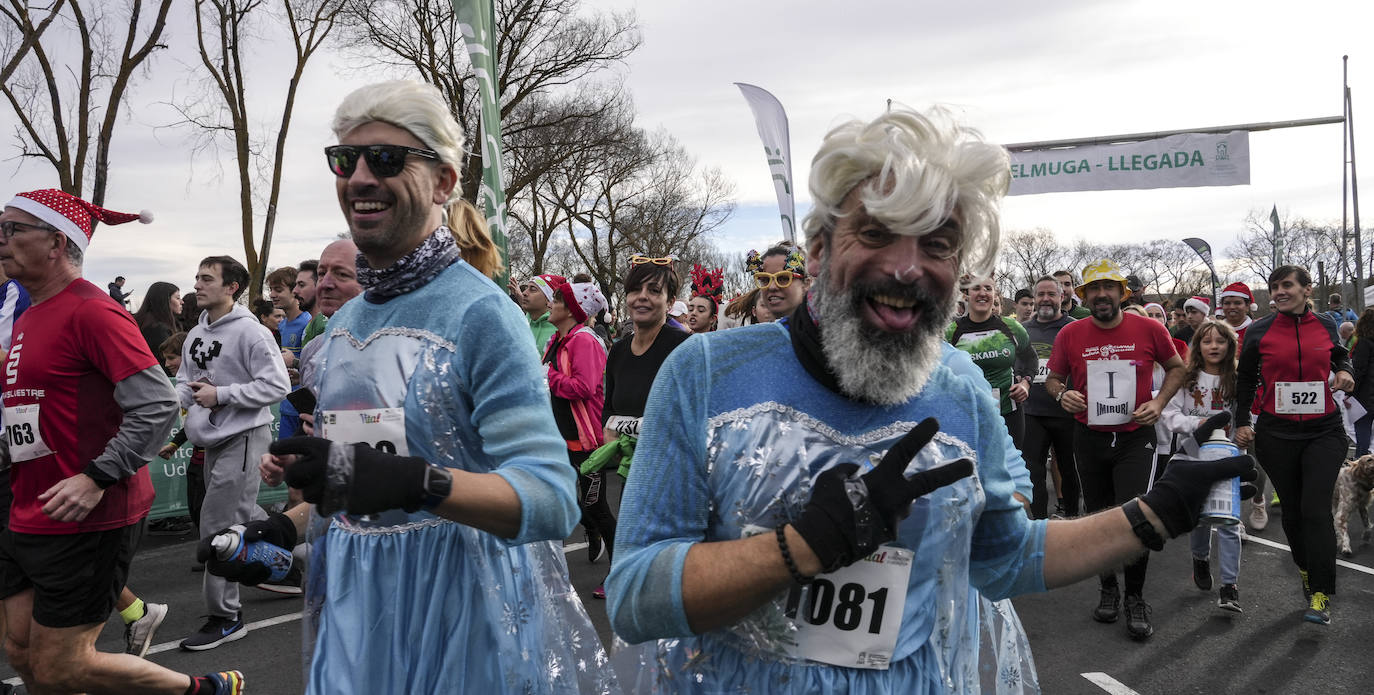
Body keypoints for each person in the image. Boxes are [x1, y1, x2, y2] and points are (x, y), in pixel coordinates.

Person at [606, 107, 1251, 692]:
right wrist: (799, 547)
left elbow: (1002, 559)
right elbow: (635, 597)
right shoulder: (707, 371)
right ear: (821, 249)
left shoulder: (962, 388)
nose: (908, 267)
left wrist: (1153, 514)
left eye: (936, 245)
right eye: (878, 233)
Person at [211, 80, 612, 694]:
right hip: (357, 607)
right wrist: (289, 525)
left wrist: (416, 484)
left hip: (467, 611)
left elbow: (552, 499)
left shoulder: (482, 313)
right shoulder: (343, 325)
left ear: (444, 182)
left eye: (388, 159)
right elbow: (363, 472)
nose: (360, 177)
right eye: (345, 161)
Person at [0, 189, 243, 694]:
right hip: (28, 505)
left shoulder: (94, 311)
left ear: (56, 242)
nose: (0, 239)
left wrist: (97, 475)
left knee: (60, 666)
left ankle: (201, 690)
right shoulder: (27, 317)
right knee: (21, 653)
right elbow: (26, 418)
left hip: (90, 512)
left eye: (12, 229)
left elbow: (156, 404)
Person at [1045, 258, 1186, 641]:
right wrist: (1063, 395)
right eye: (1094, 288)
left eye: (1109, 287)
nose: (1102, 294)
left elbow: (1177, 367)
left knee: (1136, 519)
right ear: (1085, 295)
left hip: (1134, 438)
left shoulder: (1149, 327)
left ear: (1123, 293)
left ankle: (1135, 597)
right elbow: (1054, 379)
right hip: (1088, 438)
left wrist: (1159, 404)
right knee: (1097, 517)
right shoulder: (1071, 334)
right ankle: (1108, 588)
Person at [177, 255, 291, 650]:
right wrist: (161, 404)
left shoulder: (252, 333)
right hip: (211, 441)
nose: (197, 284)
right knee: (245, 517)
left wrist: (222, 395)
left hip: (244, 439)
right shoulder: (195, 333)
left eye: (206, 278)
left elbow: (278, 385)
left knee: (219, 527)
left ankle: (226, 616)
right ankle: (289, 565)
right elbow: (185, 383)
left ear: (232, 288)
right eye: (196, 276)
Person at [1236, 265, 1355, 625]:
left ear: (1307, 289)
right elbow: (1245, 380)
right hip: (1276, 433)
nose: (1278, 292)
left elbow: (1337, 354)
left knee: (1314, 510)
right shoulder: (1259, 330)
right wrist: (1241, 421)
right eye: (1274, 287)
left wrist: (1346, 369)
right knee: (1291, 511)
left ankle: (1320, 592)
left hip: (1324, 431)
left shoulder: (1326, 324)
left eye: (1286, 285)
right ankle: (1305, 570)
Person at [1162, 320, 1245, 612]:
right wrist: (1198, 424)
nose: (1213, 347)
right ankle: (1200, 558)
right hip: (1193, 453)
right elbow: (1169, 416)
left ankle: (1229, 586)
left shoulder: (1238, 377)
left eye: (1220, 342)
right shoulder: (1186, 377)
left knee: (1229, 520)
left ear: (1230, 345)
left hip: (1226, 456)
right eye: (1207, 341)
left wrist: (1242, 438)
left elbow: (1244, 419)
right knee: (1198, 516)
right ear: (1198, 346)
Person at [542, 277, 616, 598]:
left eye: (557, 300)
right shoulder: (559, 339)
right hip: (562, 437)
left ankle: (622, 574)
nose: (551, 304)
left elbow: (584, 387)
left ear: (572, 310)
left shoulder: (583, 340)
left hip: (588, 441)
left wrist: (549, 377)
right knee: (565, 502)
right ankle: (583, 543)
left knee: (596, 507)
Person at [946, 275, 1035, 446]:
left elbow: (1030, 358)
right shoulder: (951, 332)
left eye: (988, 288)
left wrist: (1025, 383)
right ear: (967, 294)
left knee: (1011, 467)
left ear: (995, 294)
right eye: (976, 288)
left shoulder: (1012, 327)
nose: (983, 293)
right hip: (968, 413)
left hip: (1009, 412)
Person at [1022, 275, 1079, 519]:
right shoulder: (1022, 330)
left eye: (1051, 294)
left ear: (1062, 297)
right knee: (1033, 472)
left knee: (1069, 470)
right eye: (1041, 294)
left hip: (1066, 413)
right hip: (1031, 412)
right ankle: (1039, 523)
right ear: (1034, 298)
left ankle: (1072, 517)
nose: (1045, 299)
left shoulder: (1075, 328)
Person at [268, 265, 310, 439]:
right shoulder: (282, 325)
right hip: (286, 404)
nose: (272, 295)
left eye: (278, 290)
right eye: (270, 289)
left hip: (304, 409)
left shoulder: (308, 322)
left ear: (295, 291)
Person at [749, 244, 808, 320]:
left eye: (783, 278)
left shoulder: (824, 327)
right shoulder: (754, 331)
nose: (772, 287)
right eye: (765, 279)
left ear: (806, 284)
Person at [133, 281, 183, 357]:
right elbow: (165, 360)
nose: (182, 302)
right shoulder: (159, 330)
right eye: (178, 298)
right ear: (165, 300)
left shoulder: (144, 322)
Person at [1350, 309, 1374, 456]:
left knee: (1363, 434)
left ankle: (1361, 469)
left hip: (1365, 398)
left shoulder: (1363, 344)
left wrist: (1349, 392)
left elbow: (1359, 372)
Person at [518, 274, 558, 353]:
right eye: (526, 288)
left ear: (548, 299)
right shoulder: (520, 325)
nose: (524, 293)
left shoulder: (560, 331)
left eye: (533, 289)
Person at [686, 264, 724, 334]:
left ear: (712, 318)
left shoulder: (719, 343)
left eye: (701, 310)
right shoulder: (677, 341)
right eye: (690, 309)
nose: (693, 313)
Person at [297, 260, 326, 345]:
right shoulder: (312, 322)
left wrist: (292, 359)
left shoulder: (322, 325)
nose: (295, 291)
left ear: (319, 286)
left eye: (301, 285)